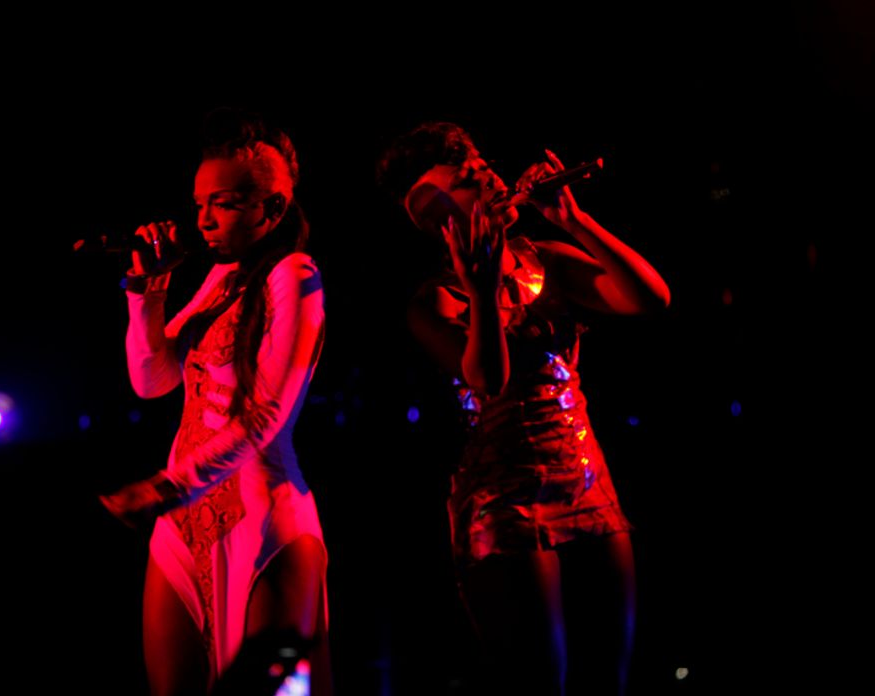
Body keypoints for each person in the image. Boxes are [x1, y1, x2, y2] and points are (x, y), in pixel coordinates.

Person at [376, 122, 671, 695]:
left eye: (485, 166)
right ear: (437, 218)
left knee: (610, 677)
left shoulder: (545, 258)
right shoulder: (434, 301)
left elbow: (650, 298)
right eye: (470, 178)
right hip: (503, 503)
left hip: (586, 483)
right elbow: (490, 379)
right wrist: (482, 290)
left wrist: (572, 220)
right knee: (540, 682)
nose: (492, 177)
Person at [100, 108, 332, 696]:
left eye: (222, 204)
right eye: (199, 203)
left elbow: (267, 413)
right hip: (181, 522)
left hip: (262, 519)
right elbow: (152, 380)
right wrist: (146, 292)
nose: (202, 219)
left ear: (271, 208)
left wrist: (168, 487)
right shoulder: (219, 279)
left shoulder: (295, 275)